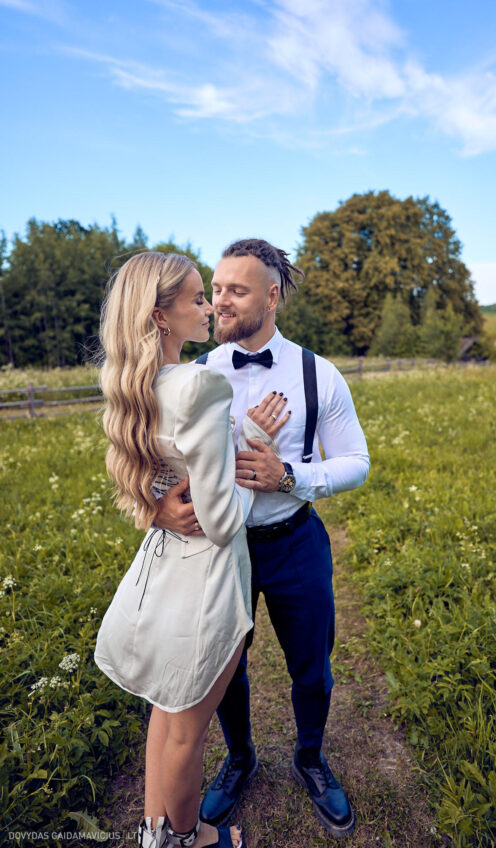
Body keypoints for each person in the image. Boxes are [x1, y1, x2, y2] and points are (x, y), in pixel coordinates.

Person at [154, 239, 370, 838]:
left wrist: (290, 476)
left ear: (271, 297)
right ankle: (239, 759)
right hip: (220, 550)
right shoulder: (195, 373)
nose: (219, 301)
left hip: (296, 542)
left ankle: (311, 759)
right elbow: (161, 461)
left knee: (312, 667)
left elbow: (356, 462)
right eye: (215, 289)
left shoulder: (318, 374)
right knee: (224, 666)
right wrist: (158, 506)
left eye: (236, 290)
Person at [94, 251, 289, 848]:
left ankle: (154, 833)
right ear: (160, 316)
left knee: (166, 709)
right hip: (206, 581)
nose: (210, 308)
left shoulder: (133, 384)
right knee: (187, 732)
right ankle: (190, 837)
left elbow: (158, 477)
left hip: (161, 569)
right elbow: (222, 521)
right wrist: (255, 447)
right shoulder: (199, 384)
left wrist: (156, 505)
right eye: (198, 298)